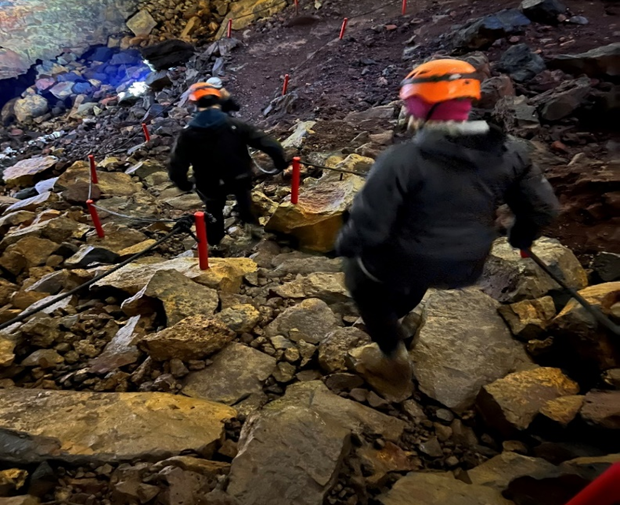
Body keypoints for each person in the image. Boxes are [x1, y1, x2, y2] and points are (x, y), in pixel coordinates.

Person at [336, 58, 560, 386]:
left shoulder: (401, 160)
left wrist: (341, 246)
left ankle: (392, 356)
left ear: (426, 107)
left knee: (359, 276)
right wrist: (520, 237)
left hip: (407, 261)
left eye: (412, 105)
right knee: (415, 271)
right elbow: (544, 209)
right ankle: (397, 312)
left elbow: (368, 228)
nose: (409, 113)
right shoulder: (512, 151)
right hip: (466, 266)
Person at [169, 79, 288, 244]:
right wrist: (280, 162)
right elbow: (270, 144)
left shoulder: (188, 133)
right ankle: (252, 228)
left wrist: (184, 184)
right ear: (218, 99)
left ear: (194, 103)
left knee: (213, 209)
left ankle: (214, 243)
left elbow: (177, 164)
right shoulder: (234, 124)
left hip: (208, 182)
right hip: (238, 175)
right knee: (244, 198)